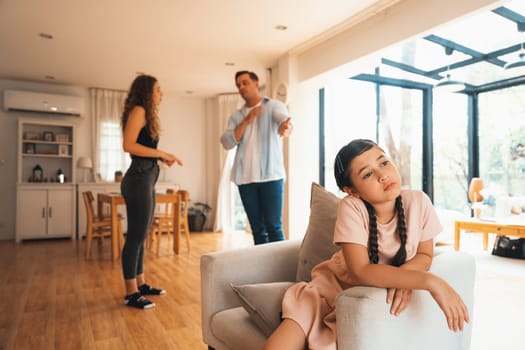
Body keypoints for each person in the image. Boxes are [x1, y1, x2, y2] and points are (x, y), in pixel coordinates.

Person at [264, 139, 469, 349]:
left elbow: (425, 255)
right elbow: (360, 271)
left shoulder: (418, 202)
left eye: (383, 163)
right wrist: (429, 281)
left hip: (362, 302)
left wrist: (406, 279)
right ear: (352, 190)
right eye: (368, 174)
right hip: (326, 292)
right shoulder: (351, 207)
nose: (383, 175)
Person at [120, 74, 183, 309]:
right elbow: (129, 146)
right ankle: (130, 293)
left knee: (142, 233)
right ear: (147, 92)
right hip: (138, 178)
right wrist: (162, 154)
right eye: (158, 90)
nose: (161, 94)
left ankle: (140, 284)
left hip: (146, 176)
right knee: (135, 236)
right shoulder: (139, 110)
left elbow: (140, 147)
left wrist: (159, 158)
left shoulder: (145, 114)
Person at [220, 71, 293, 245]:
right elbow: (227, 142)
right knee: (257, 229)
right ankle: (264, 270)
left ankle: (281, 270)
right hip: (245, 180)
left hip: (271, 177)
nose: (241, 87)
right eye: (238, 85)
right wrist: (247, 120)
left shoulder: (273, 106)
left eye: (245, 82)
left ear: (256, 83)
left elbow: (286, 124)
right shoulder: (236, 116)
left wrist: (285, 128)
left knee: (274, 227)